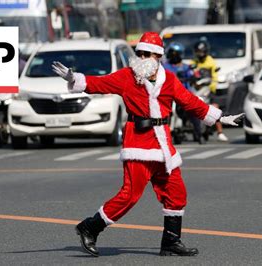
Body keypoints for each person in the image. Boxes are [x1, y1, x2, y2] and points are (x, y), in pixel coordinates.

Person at [52, 32, 243, 257]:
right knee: (130, 195)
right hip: (139, 145)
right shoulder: (127, 77)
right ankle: (90, 227)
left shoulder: (169, 79)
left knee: (177, 192)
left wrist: (220, 117)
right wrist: (75, 80)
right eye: (139, 53)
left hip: (163, 146)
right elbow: (99, 83)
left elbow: (190, 102)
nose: (142, 57)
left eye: (147, 54)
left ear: (158, 56)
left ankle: (171, 241)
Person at [163, 42, 204, 144]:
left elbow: (194, 74)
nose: (174, 56)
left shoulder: (186, 67)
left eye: (176, 54)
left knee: (193, 111)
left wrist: (194, 77)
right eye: (172, 54)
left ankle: (199, 134)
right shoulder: (164, 66)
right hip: (168, 95)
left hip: (184, 95)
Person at [191, 40, 229, 142]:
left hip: (208, 90)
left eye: (201, 52)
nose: (200, 54)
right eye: (198, 52)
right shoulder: (194, 62)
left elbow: (214, 77)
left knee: (215, 108)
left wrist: (212, 86)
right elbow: (191, 73)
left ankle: (220, 132)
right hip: (198, 89)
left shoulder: (211, 61)